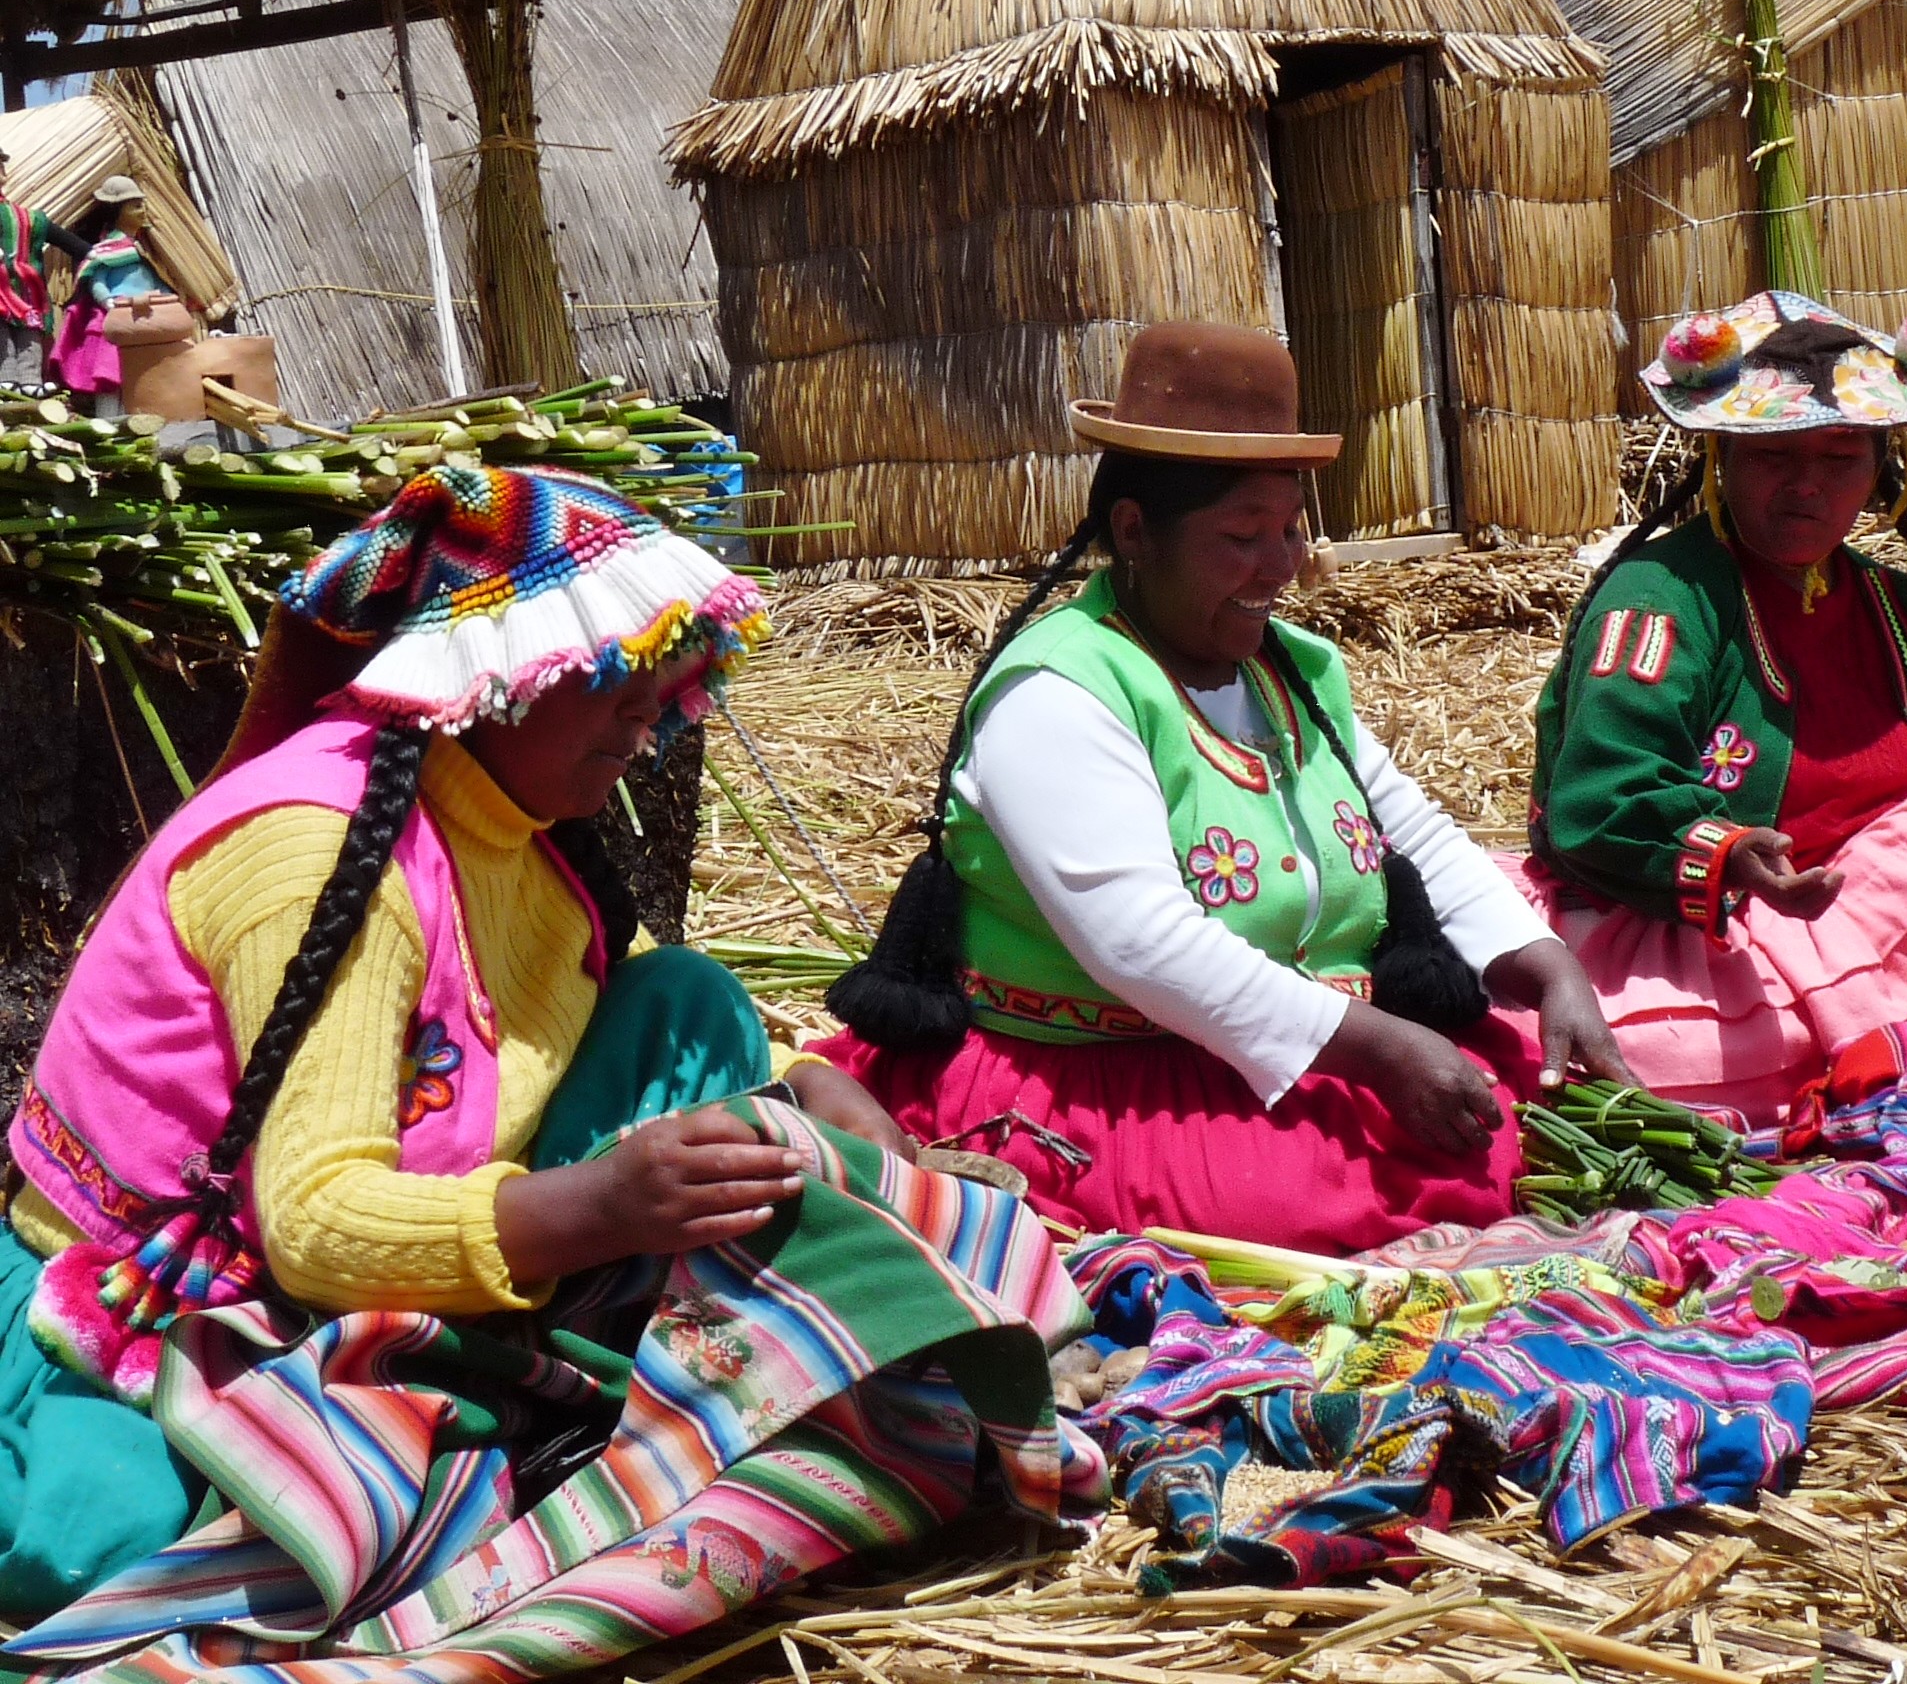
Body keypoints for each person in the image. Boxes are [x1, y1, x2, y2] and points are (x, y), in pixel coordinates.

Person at [0, 464, 1040, 1641]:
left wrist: (801, 1086)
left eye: (662, 679)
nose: (651, 710)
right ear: (489, 681)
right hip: (165, 1298)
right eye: (614, 679)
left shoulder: (523, 831)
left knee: (684, 1004)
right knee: (101, 1537)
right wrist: (599, 1208)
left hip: (420, 1237)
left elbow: (637, 1027)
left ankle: (516, 1384)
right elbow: (315, 1224)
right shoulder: (326, 859)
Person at [823, 322, 1631, 1254]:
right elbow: (1141, 942)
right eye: (1243, 536)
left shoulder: (1291, 674)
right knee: (1314, 1212)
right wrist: (1377, 1046)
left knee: (1514, 1132)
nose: (1283, 564)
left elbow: (1411, 835)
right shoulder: (1059, 693)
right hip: (1114, 1077)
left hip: (1313, 1044)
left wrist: (1546, 969)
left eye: (1291, 528)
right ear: (1134, 530)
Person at [1510, 291, 1907, 1126]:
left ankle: (1851, 1038)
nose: (1807, 487)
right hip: (1711, 942)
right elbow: (1600, 797)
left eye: (1841, 458)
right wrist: (1731, 856)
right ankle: (1890, 1036)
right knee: (1647, 1058)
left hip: (1893, 920)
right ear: (1723, 461)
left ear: (1882, 470)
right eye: (1774, 457)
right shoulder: (1661, 599)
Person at [49, 172, 178, 413]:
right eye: (135, 206)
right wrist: (108, 302)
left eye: (142, 205)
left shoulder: (143, 250)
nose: (142, 211)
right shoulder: (105, 251)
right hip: (118, 318)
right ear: (117, 211)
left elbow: (155, 280)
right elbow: (97, 280)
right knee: (110, 371)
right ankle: (108, 419)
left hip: (148, 317)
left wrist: (167, 297)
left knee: (142, 372)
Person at [0, 148, 91, 395]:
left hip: (27, 295)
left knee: (29, 338)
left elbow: (76, 246)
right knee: (3, 342)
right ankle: (6, 383)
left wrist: (98, 257)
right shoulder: (29, 219)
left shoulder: (30, 219)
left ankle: (29, 383)